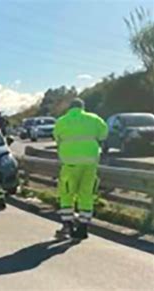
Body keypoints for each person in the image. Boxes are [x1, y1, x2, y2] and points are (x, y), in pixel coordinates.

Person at [53, 98, 108, 240]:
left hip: (70, 164)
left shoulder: (62, 121)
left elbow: (57, 139)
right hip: (90, 163)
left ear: (70, 108)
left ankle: (68, 225)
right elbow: (103, 135)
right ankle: (83, 228)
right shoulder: (94, 119)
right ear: (83, 107)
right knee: (86, 194)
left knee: (66, 193)